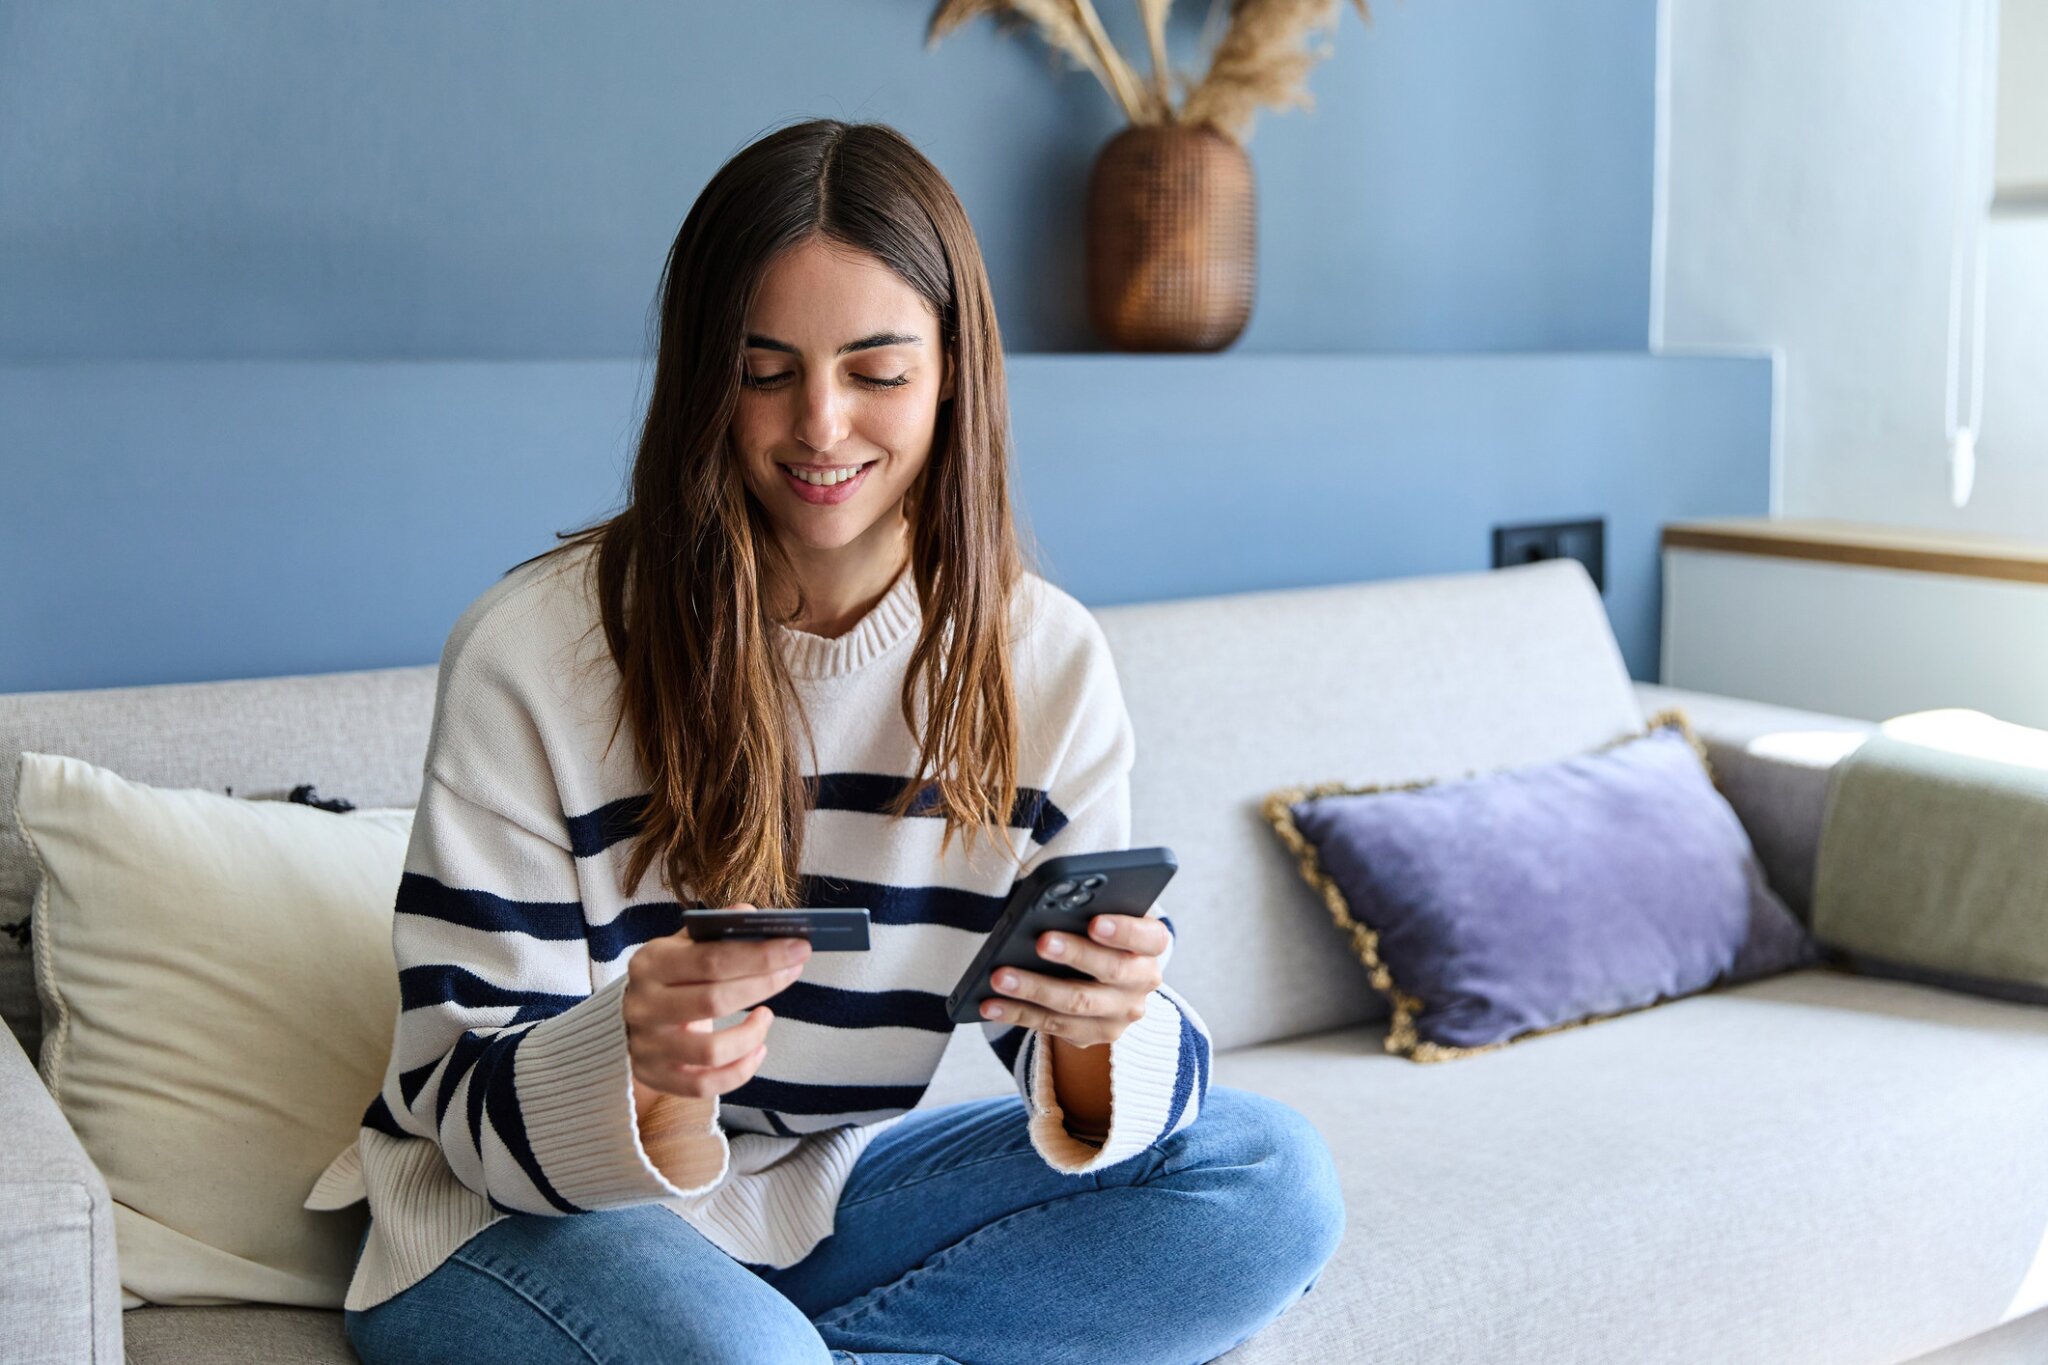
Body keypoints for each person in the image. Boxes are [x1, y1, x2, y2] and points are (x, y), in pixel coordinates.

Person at [314, 118, 1344, 1365]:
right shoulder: (537, 651)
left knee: (1265, 1179)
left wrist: (1093, 1033)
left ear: (953, 366)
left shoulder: (1041, 658)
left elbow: (1063, 1056)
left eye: (875, 369)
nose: (818, 425)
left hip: (810, 1209)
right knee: (742, 1355)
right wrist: (633, 1063)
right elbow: (450, 1080)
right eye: (762, 370)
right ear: (704, 375)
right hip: (508, 1226)